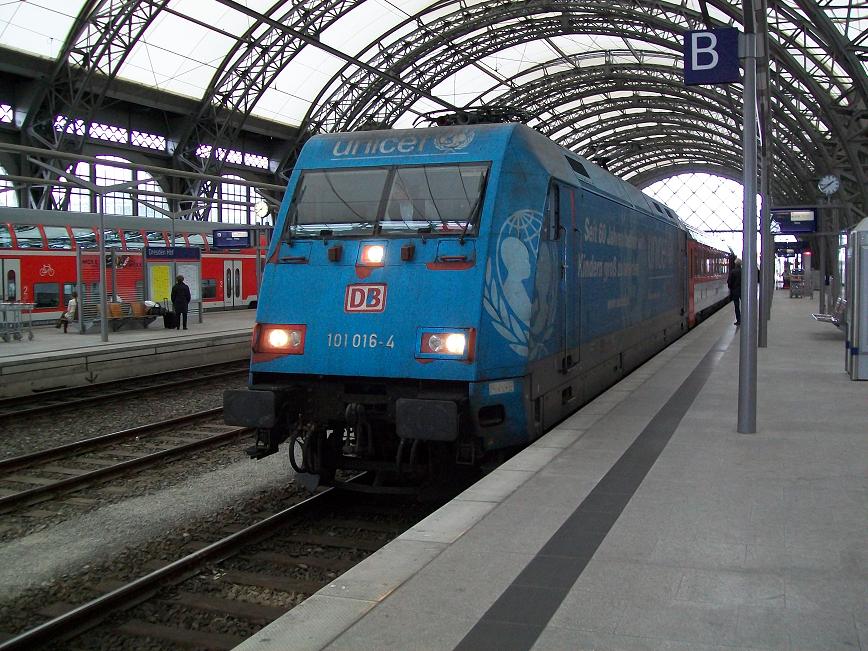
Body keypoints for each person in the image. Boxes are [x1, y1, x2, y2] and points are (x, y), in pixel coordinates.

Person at [727, 256, 742, 326]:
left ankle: (739, 320)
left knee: (737, 306)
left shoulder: (733, 272)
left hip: (735, 291)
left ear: (735, 264)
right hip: (743, 291)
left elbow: (729, 282)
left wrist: (731, 288)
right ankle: (746, 318)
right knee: (744, 305)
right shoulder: (744, 271)